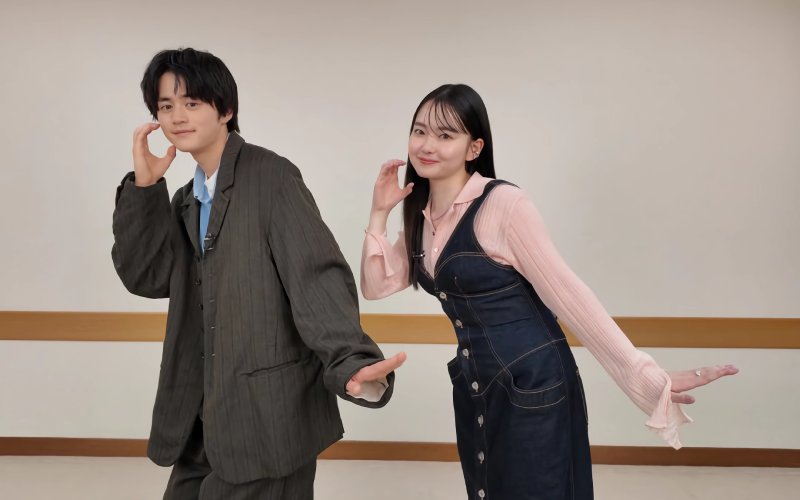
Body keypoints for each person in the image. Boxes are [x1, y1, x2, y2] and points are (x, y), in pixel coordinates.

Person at [360, 83, 738, 500]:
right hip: (476, 387)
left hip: (534, 385)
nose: (427, 145)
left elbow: (570, 297)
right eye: (419, 131)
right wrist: (379, 212)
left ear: (474, 147)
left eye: (445, 135)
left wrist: (645, 377)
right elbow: (375, 286)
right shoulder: (423, 217)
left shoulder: (503, 204)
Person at [112, 47, 405, 500]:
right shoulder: (187, 200)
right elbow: (146, 277)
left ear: (226, 110)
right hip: (201, 421)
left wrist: (352, 362)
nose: (177, 117)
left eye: (192, 102)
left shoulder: (273, 179)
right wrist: (145, 188)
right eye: (165, 106)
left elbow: (317, 279)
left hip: (268, 422)